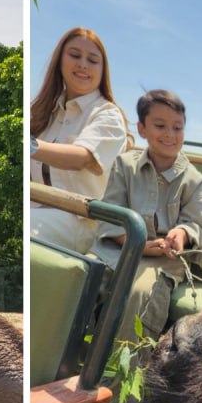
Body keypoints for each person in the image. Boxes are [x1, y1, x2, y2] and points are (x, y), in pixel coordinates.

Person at [81, 89, 202, 403]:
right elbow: (111, 216)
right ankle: (66, 381)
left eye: (177, 127)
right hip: (120, 248)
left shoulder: (195, 180)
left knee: (139, 295)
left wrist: (179, 235)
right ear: (141, 128)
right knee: (82, 278)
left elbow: (194, 225)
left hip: (165, 261)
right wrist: (137, 241)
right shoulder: (124, 166)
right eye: (160, 126)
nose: (169, 135)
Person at [30, 26, 133, 253]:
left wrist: (29, 145)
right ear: (60, 61)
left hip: (81, 221)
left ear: (102, 69)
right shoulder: (43, 112)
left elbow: (82, 157)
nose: (83, 64)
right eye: (75, 55)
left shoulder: (107, 114)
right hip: (37, 207)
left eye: (92, 60)